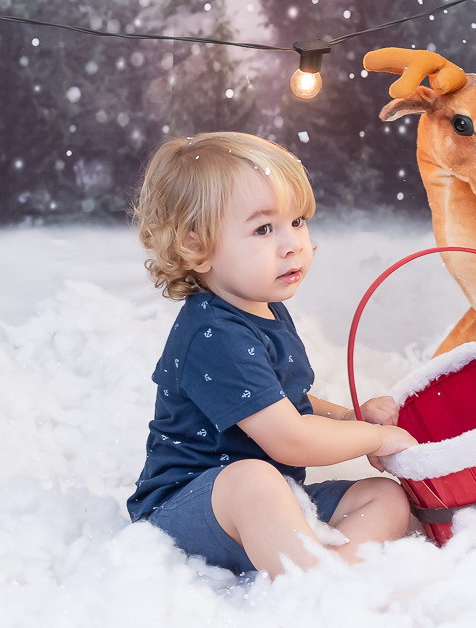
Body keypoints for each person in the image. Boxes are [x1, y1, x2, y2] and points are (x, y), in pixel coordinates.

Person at [127, 132, 417, 578]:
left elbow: (285, 402)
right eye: (264, 228)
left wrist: (350, 420)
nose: (292, 244)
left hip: (273, 503)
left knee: (384, 494)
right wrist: (377, 440)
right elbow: (290, 438)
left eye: (298, 221)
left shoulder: (264, 308)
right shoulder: (212, 334)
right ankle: (311, 581)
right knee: (251, 479)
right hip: (189, 509)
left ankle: (337, 569)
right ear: (196, 247)